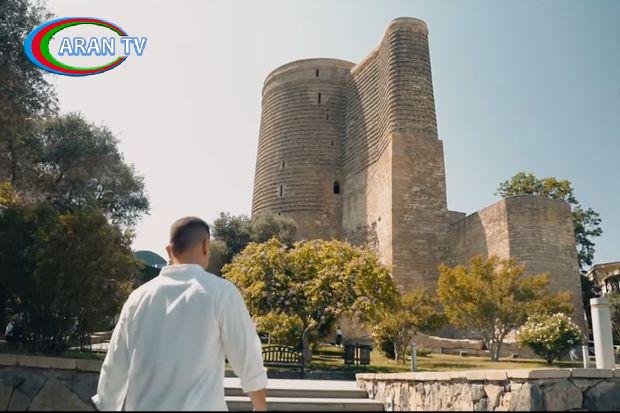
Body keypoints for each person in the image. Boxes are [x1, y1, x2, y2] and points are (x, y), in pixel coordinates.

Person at [92, 217, 268, 411]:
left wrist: (106, 405)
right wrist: (260, 407)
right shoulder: (221, 293)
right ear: (206, 245)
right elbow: (247, 356)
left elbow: (115, 364)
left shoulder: (138, 298)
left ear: (169, 251)